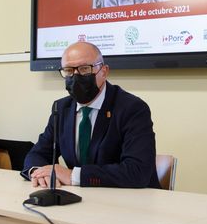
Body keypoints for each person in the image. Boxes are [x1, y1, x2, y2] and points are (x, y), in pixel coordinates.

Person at [23, 42, 158, 188]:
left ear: (104, 71)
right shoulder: (61, 108)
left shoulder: (132, 108)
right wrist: (37, 172)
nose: (75, 76)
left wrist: (73, 176)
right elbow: (38, 154)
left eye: (84, 69)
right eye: (68, 70)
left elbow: (137, 171)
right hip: (79, 201)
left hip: (131, 202)